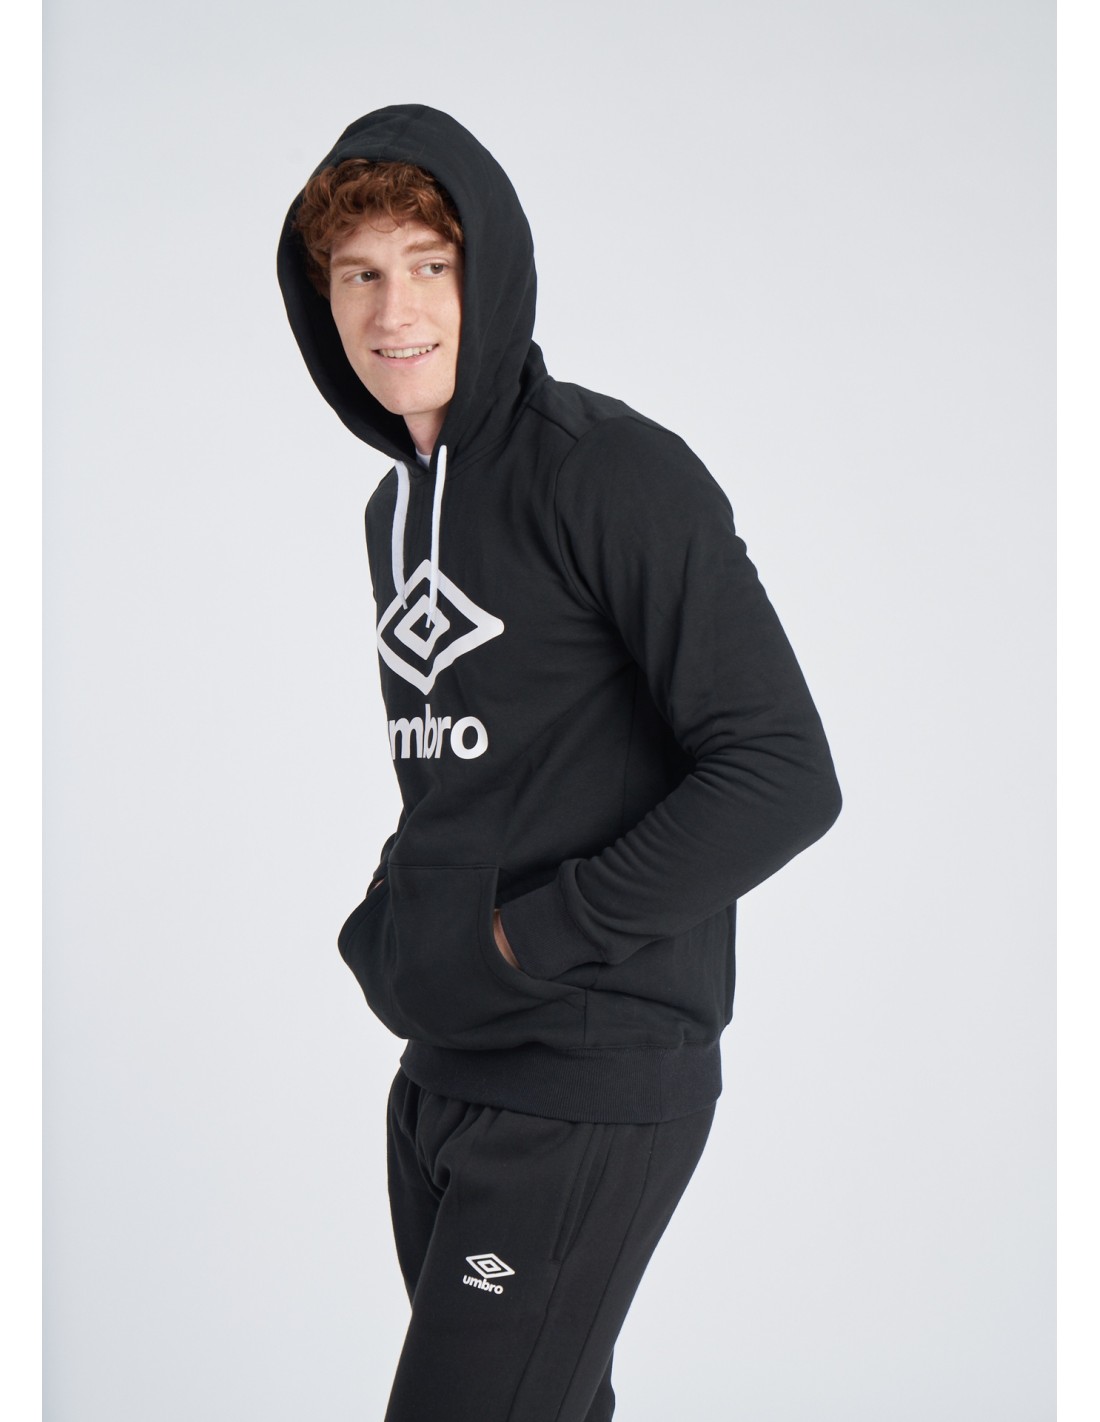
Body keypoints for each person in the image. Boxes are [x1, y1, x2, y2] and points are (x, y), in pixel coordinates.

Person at [278, 103, 841, 1422]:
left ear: (492, 270)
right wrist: (399, 927)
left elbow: (780, 772)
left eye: (430, 264)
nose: (394, 310)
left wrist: (528, 938)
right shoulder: (393, 511)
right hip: (445, 1067)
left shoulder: (615, 473)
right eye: (359, 275)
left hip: (589, 1071)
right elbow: (466, 774)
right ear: (321, 303)